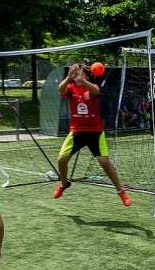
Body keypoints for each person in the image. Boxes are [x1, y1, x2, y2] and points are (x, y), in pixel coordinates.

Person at [52, 64, 131, 206]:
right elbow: (60, 89)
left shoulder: (92, 86)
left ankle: (121, 191)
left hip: (95, 131)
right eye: (74, 72)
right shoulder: (70, 87)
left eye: (78, 72)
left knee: (104, 163)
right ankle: (64, 184)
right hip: (76, 131)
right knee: (61, 160)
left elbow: (95, 91)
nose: (76, 74)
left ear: (86, 75)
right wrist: (69, 77)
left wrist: (83, 81)